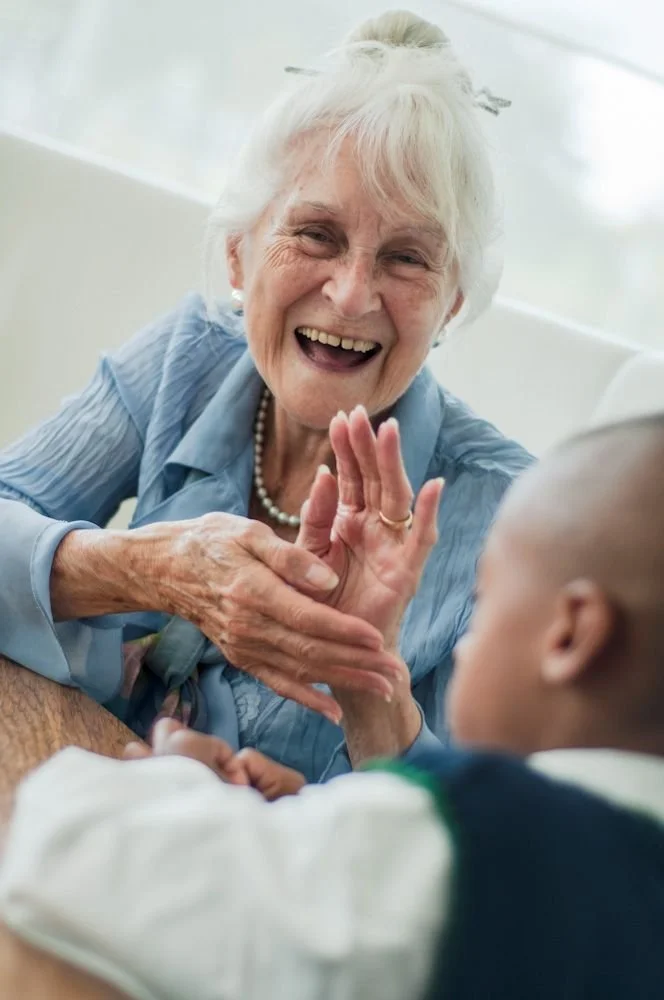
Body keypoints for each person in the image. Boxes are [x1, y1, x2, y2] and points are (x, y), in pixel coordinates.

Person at [0, 10, 530, 782]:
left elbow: (506, 846)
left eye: (407, 257)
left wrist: (363, 693)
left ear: (450, 304)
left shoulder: (510, 518)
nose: (351, 296)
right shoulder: (189, 357)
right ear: (240, 256)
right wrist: (140, 568)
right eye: (316, 234)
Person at [2, 412, 664, 1000]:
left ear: (571, 635)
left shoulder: (482, 836)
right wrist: (319, 813)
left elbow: (72, 847)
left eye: (489, 601)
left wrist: (170, 779)